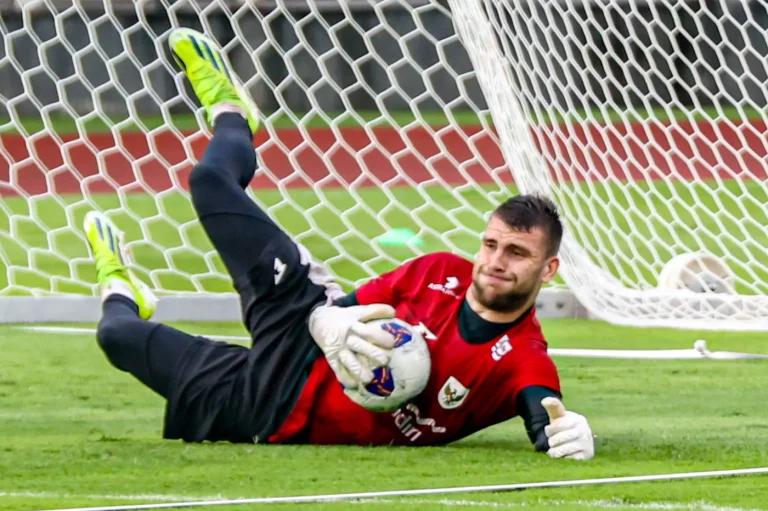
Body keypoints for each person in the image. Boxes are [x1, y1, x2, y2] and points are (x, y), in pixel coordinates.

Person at [85, 28, 594, 459]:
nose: (495, 262)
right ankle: (231, 111)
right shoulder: (436, 271)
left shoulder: (523, 356)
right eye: (490, 245)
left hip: (260, 408)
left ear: (548, 270)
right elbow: (341, 309)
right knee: (210, 184)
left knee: (117, 336)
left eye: (517, 253)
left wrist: (570, 435)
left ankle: (121, 287)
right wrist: (326, 318)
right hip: (299, 332)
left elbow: (545, 413)